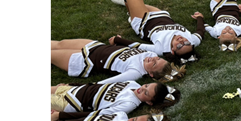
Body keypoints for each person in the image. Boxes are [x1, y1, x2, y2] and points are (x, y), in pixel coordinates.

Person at [109, 0, 203, 64]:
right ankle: (130, 4)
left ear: (172, 51)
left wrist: (117, 40)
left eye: (179, 46)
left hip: (143, 21)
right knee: (136, 2)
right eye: (186, 43)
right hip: (162, 15)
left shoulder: (161, 49)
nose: (182, 41)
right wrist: (200, 18)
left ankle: (130, 7)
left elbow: (138, 46)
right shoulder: (194, 40)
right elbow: (200, 31)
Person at [50, 36, 185, 84]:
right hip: (96, 46)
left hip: (85, 62)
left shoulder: (136, 72)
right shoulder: (149, 53)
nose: (153, 58)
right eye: (157, 58)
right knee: (60, 44)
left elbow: (106, 83)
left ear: (150, 74)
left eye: (154, 63)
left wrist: (80, 87)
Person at [50, 80, 181, 114]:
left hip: (71, 103)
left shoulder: (129, 104)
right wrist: (72, 85)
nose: (143, 88)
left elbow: (99, 114)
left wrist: (62, 116)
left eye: (146, 93)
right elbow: (102, 84)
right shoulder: (133, 84)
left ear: (149, 103)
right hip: (73, 90)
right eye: (146, 85)